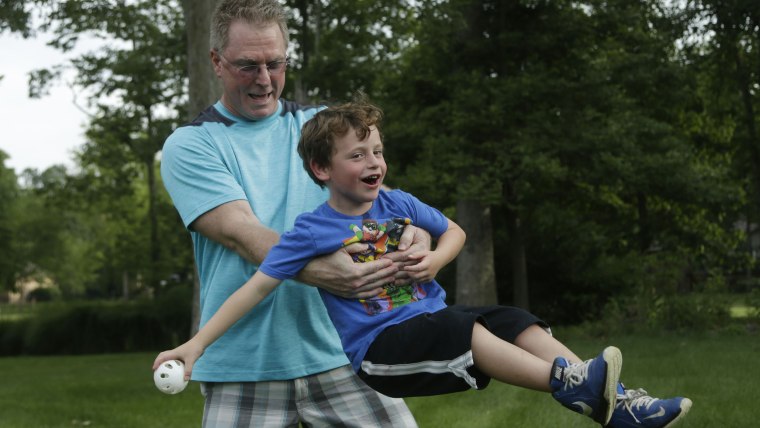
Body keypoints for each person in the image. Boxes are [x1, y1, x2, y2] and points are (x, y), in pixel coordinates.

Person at [155, 98, 693, 428]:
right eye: (358, 155)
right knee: (465, 326)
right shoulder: (311, 232)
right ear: (321, 168)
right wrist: (196, 344)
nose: (374, 163)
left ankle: (614, 403)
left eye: (378, 152)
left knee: (513, 319)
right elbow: (256, 287)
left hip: (428, 324)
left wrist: (435, 259)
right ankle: (567, 382)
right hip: (381, 350)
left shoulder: (399, 202)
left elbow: (454, 232)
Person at [157, 0, 425, 426]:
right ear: (217, 62)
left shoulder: (323, 126)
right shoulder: (192, 144)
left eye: (275, 63)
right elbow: (241, 232)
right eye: (247, 65)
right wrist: (328, 272)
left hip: (345, 347)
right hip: (244, 364)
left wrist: (415, 235)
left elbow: (380, 200)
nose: (264, 80)